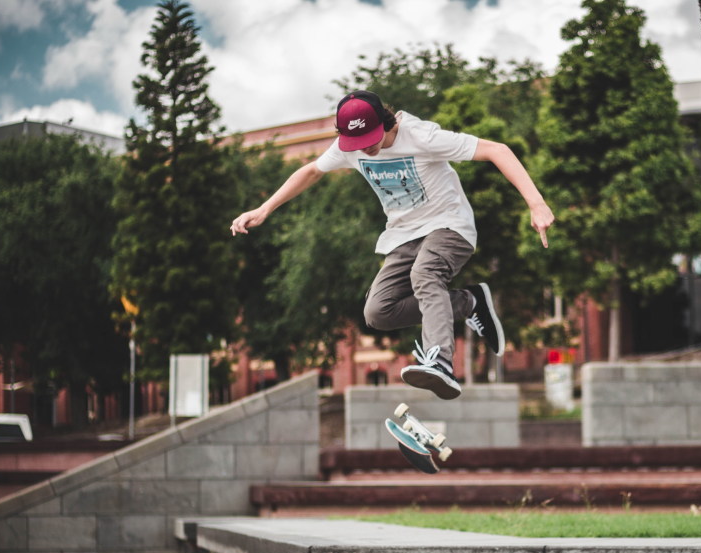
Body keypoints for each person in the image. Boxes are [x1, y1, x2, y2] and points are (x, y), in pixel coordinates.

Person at [231, 89, 554, 399]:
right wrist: (264, 209)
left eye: (371, 141)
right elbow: (312, 171)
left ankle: (440, 361)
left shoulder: (423, 137)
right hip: (403, 235)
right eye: (357, 144)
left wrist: (536, 203)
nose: (365, 150)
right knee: (378, 313)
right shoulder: (349, 147)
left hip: (449, 225)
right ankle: (470, 303)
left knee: (425, 276)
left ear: (386, 123)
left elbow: (497, 150)